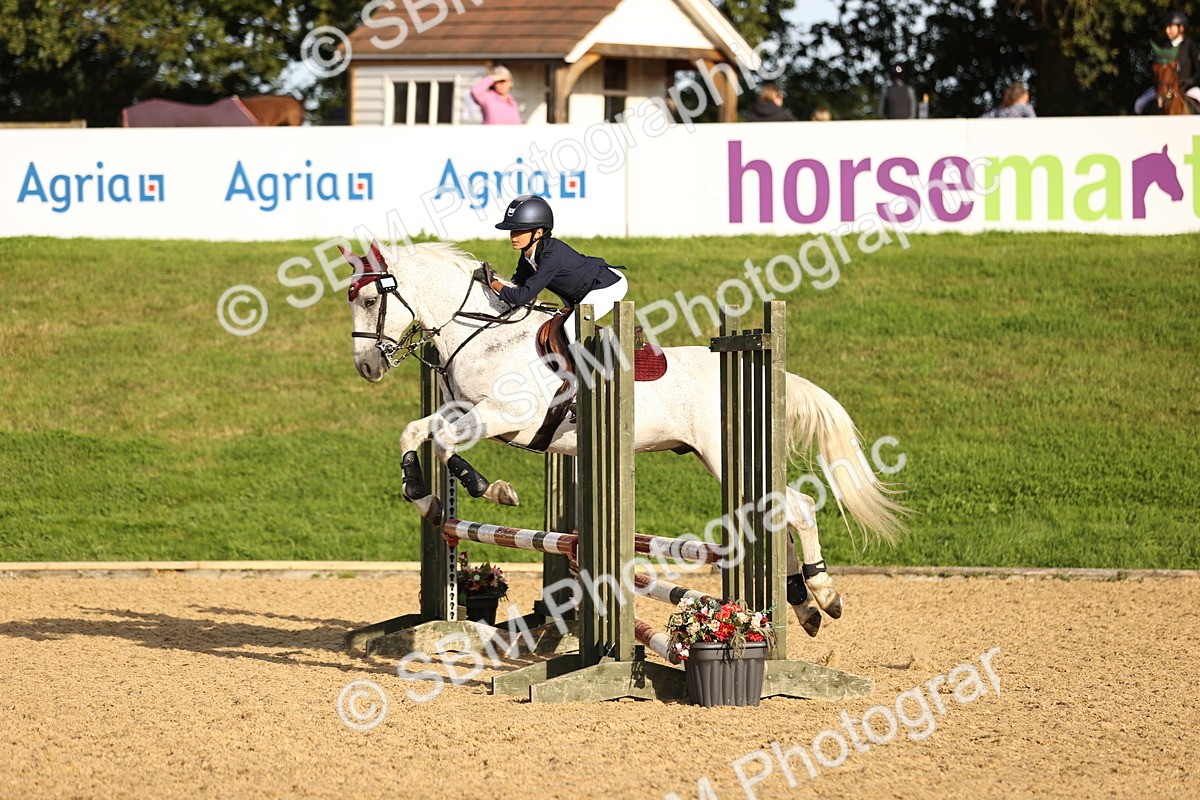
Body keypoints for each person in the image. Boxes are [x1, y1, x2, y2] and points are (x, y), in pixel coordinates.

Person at [487, 195, 628, 343]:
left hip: (607, 285)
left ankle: (588, 366)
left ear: (539, 233)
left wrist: (492, 282)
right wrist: (493, 283)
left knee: (571, 328)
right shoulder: (527, 256)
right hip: (582, 293)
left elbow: (521, 297)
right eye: (511, 231)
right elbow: (517, 285)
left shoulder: (551, 256)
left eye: (519, 231)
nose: (513, 236)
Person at [1134, 10, 1200, 114]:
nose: (1167, 30)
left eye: (1170, 27)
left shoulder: (1189, 45)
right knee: (1139, 104)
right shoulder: (1164, 46)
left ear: (1181, 28)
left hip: (1187, 88)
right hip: (1164, 87)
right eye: (1166, 27)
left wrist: (1190, 81)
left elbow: (1197, 69)